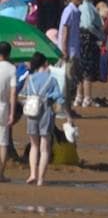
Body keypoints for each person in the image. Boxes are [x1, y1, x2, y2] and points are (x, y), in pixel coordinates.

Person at [18, 52, 63, 186]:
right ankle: (41, 179)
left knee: (34, 145)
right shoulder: (52, 80)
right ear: (45, 63)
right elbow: (59, 98)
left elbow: (23, 94)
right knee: (45, 148)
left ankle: (32, 174)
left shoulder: (30, 79)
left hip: (32, 112)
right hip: (46, 113)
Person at [0, 41, 13, 182]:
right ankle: (1, 174)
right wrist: (12, 111)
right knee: (3, 142)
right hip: (3, 106)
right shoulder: (11, 69)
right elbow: (13, 92)